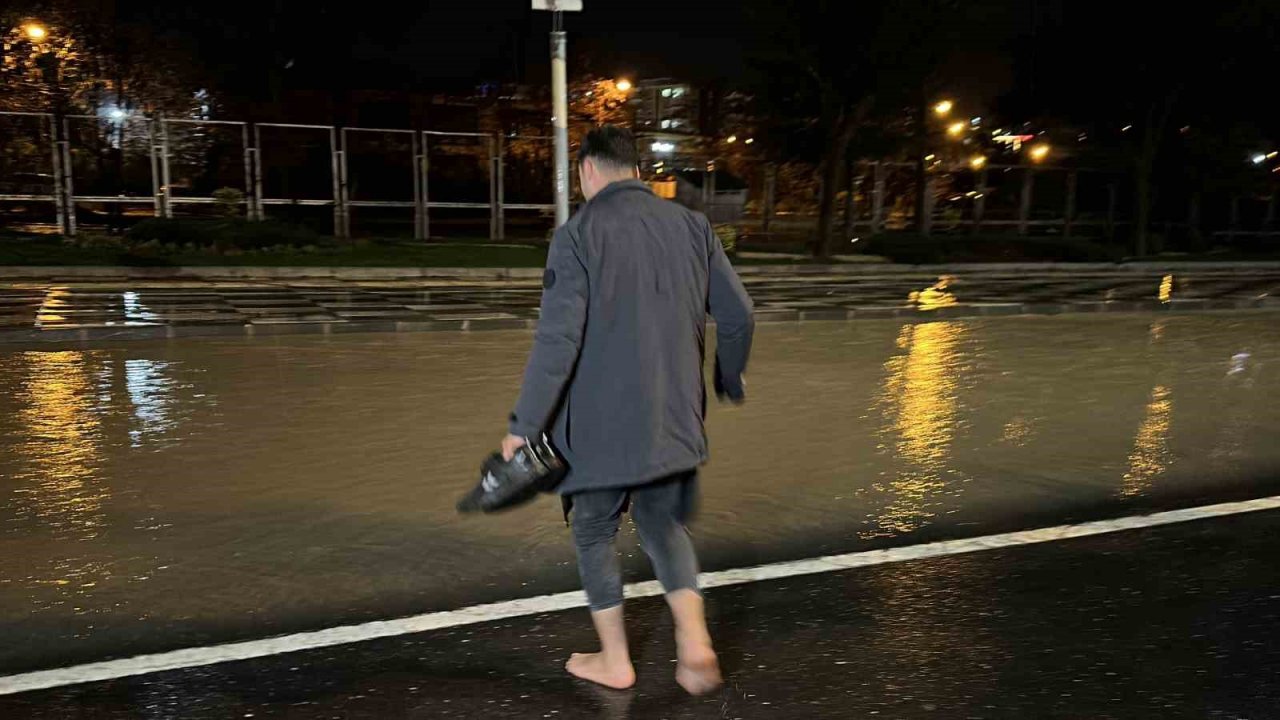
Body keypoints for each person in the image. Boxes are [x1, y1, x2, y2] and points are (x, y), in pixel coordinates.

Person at [501, 125, 754, 695]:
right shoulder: (694, 227)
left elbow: (556, 342)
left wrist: (523, 427)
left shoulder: (576, 236)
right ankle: (694, 646)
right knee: (663, 525)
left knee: (593, 532)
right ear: (637, 171)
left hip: (595, 431)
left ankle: (615, 660)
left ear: (588, 172)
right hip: (673, 417)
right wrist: (727, 378)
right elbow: (739, 316)